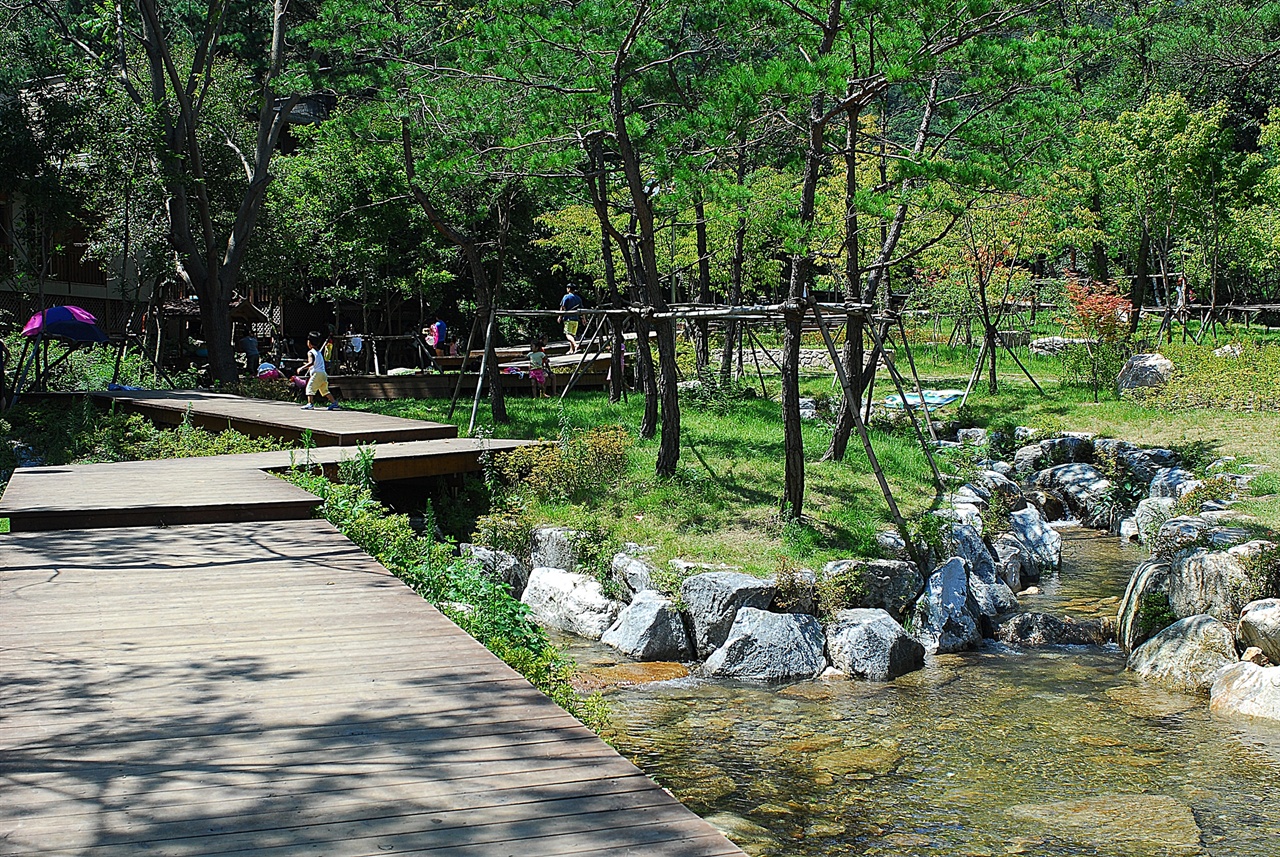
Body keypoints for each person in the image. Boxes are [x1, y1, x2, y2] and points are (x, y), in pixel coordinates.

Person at [299, 333, 340, 410]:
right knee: (324, 390)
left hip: (316, 374)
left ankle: (310, 403)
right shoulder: (318, 352)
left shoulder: (310, 352)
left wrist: (302, 368)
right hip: (323, 374)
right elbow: (315, 363)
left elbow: (311, 362)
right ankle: (334, 403)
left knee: (310, 388)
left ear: (309, 342)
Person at [558, 285, 583, 353]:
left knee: (568, 334)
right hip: (576, 319)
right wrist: (583, 319)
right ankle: (571, 350)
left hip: (568, 319)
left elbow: (562, 307)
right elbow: (581, 309)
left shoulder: (566, 296)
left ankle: (575, 345)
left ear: (569, 289)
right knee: (572, 335)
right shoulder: (578, 298)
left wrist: (560, 316)